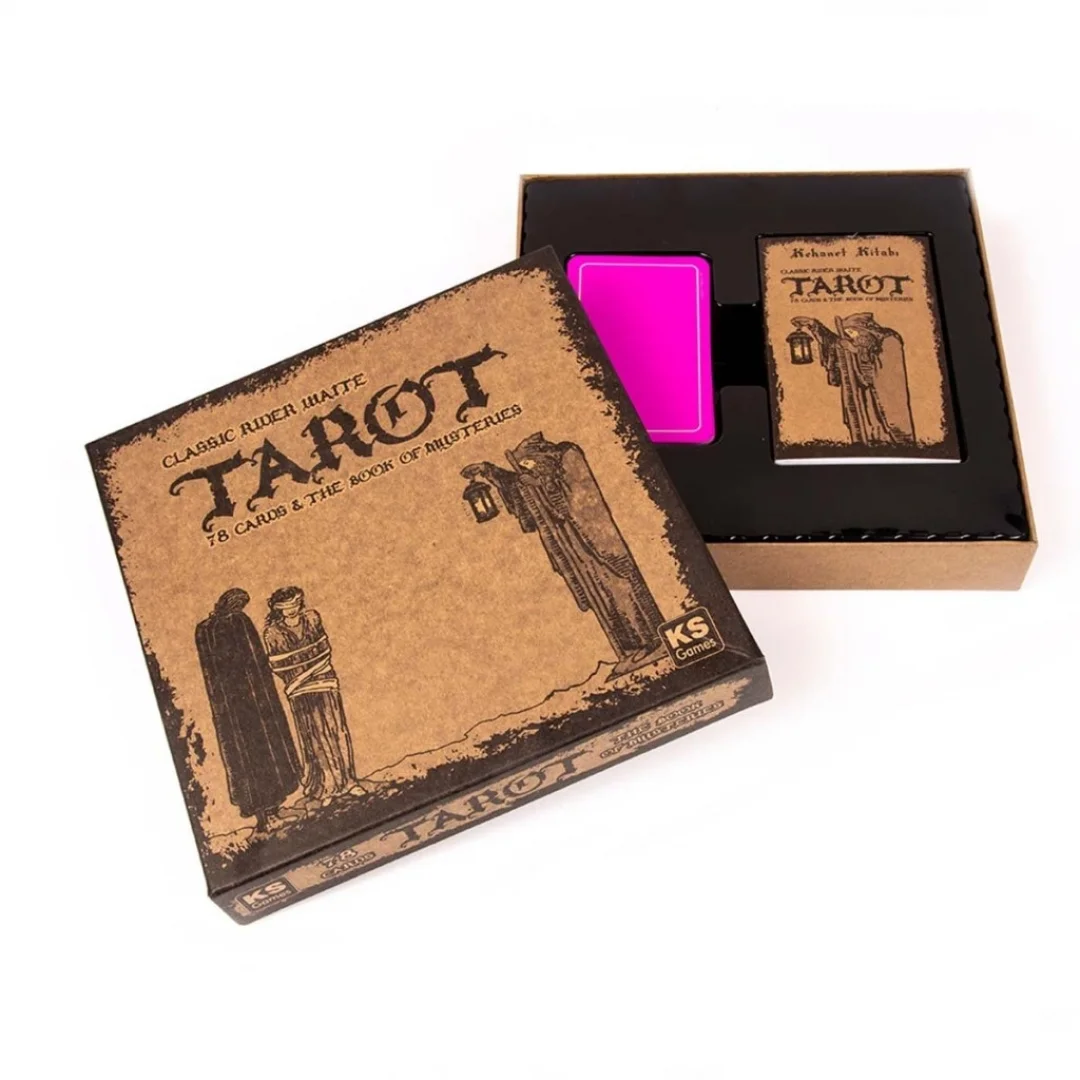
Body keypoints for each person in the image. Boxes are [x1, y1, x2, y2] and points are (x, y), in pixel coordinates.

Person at [463, 433, 664, 677]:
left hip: (592, 539)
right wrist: (487, 470)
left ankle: (651, 640)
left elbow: (573, 493)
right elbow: (518, 484)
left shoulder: (567, 455)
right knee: (600, 593)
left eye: (529, 462)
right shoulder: (542, 468)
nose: (528, 467)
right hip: (573, 545)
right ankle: (630, 647)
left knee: (617, 586)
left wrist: (541, 484)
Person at [195, 589, 301, 833]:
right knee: (252, 758)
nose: (240, 609)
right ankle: (265, 818)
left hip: (249, 704)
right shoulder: (218, 627)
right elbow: (228, 668)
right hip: (241, 707)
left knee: (265, 753)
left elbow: (253, 660)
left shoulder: (225, 624)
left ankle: (274, 810)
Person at [263, 586, 364, 806]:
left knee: (337, 730)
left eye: (295, 604)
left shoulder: (312, 618)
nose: (292, 610)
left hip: (325, 680)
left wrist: (305, 665)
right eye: (286, 607)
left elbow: (324, 649)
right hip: (299, 689)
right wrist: (307, 666)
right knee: (314, 736)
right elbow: (278, 664)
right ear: (278, 609)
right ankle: (327, 787)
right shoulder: (273, 633)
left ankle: (348, 781)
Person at [792, 313, 915, 447]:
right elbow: (832, 343)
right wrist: (813, 324)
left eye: (852, 331)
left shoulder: (888, 339)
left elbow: (882, 364)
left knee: (885, 429)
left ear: (866, 329)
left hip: (881, 396)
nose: (850, 336)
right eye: (847, 333)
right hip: (862, 395)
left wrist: (857, 351)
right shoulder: (855, 342)